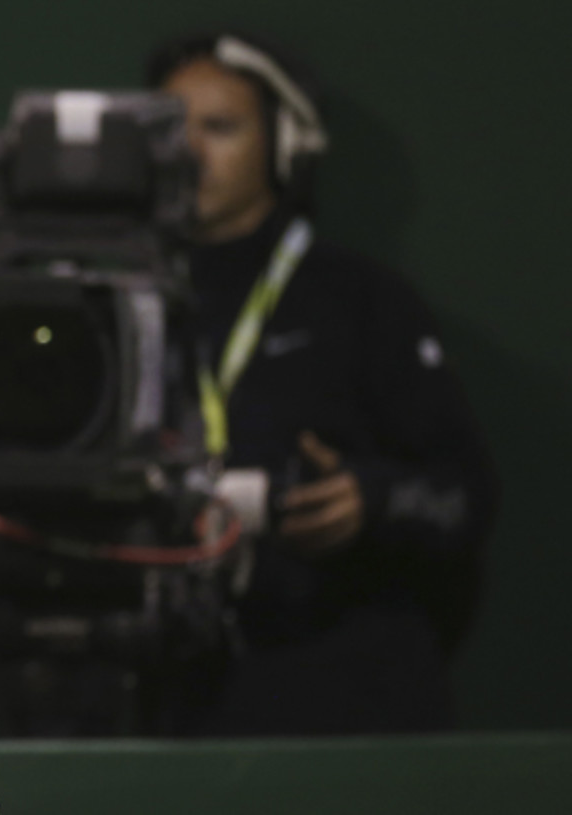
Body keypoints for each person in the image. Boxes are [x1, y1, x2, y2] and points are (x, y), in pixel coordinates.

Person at [137, 31, 499, 735]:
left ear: (286, 145)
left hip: (343, 699)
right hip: (166, 705)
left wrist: (371, 497)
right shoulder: (117, 304)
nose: (189, 150)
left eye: (220, 127)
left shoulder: (360, 298)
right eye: (170, 127)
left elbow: (467, 492)